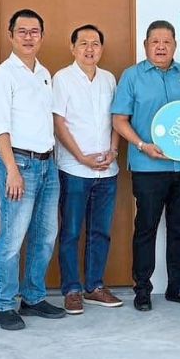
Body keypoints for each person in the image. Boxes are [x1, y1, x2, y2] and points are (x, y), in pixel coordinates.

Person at [111, 19, 180, 311]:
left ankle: (177, 287)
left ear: (175, 45)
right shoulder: (132, 76)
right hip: (148, 168)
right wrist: (142, 145)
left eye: (167, 41)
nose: (161, 46)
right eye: (155, 41)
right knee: (146, 228)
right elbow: (119, 120)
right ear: (146, 45)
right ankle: (142, 290)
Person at [0, 9, 65, 330]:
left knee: (45, 236)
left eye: (35, 31)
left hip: (48, 165)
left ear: (42, 36)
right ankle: (4, 304)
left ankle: (32, 297)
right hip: (17, 163)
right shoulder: (2, 76)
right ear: (10, 36)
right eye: (22, 31)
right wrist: (11, 170)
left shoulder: (44, 73)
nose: (29, 37)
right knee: (12, 237)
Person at [53, 24, 123, 315]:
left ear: (101, 49)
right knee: (70, 231)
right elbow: (58, 122)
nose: (89, 49)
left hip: (107, 170)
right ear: (73, 48)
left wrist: (114, 150)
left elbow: (118, 118)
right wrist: (81, 156)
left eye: (95, 43)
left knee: (100, 231)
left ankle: (94, 286)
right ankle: (71, 289)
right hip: (73, 169)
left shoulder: (108, 79)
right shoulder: (62, 78)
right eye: (83, 43)